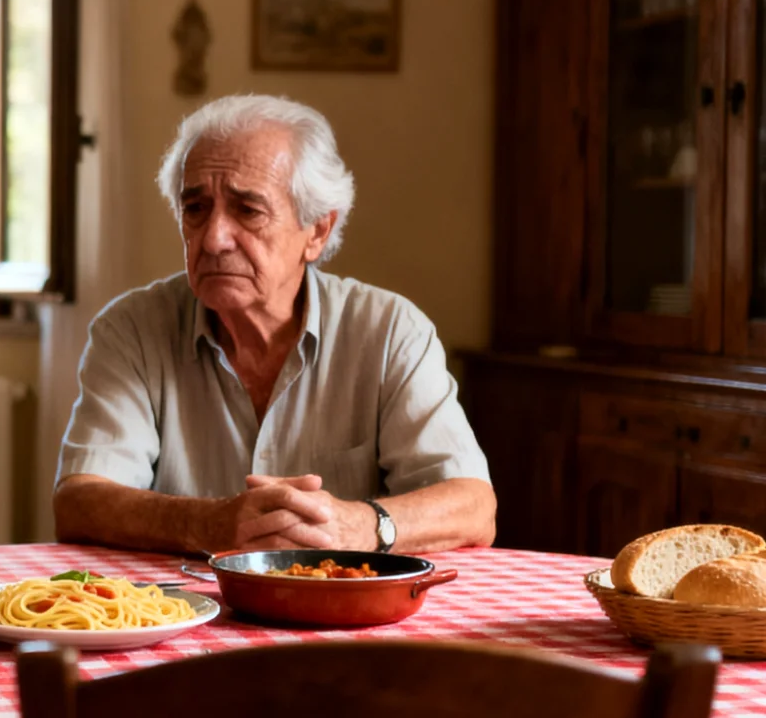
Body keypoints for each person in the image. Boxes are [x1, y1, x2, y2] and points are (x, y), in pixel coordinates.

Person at [53, 94, 496, 556]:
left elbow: (472, 507)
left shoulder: (389, 331)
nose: (214, 238)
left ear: (318, 232)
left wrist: (359, 526)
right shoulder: (132, 330)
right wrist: (207, 522)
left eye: (248, 210)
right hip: (179, 615)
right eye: (196, 209)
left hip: (349, 619)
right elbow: (79, 503)